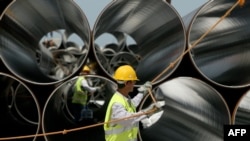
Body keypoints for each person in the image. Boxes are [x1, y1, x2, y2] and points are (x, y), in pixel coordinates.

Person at [103, 65, 164, 141]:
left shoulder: (123, 98)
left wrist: (142, 92)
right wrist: (148, 111)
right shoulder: (117, 104)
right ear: (127, 83)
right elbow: (127, 119)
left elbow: (132, 104)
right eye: (133, 81)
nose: (134, 84)